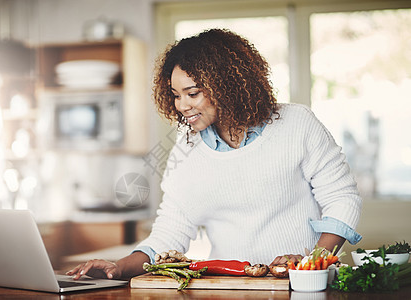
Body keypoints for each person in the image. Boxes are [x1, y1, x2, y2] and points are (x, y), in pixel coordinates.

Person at [67, 28, 362, 280]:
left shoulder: (296, 123)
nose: (181, 105)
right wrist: (118, 267)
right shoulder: (185, 150)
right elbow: (168, 234)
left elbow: (342, 198)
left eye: (192, 93)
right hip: (229, 287)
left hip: (303, 285)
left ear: (227, 86)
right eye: (175, 94)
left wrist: (312, 263)